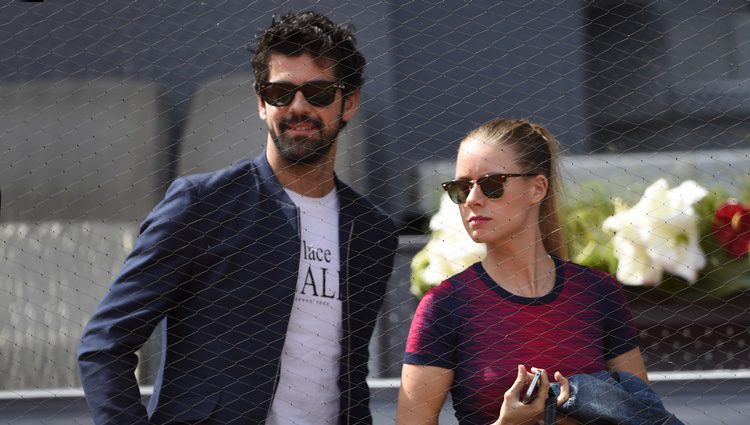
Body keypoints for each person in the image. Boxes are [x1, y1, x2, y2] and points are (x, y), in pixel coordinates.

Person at [77, 11, 397, 425]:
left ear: (348, 102)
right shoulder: (202, 205)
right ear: (262, 103)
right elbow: (105, 343)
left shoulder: (371, 230)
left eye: (318, 92)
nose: (298, 107)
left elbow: (350, 371)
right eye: (280, 93)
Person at [396, 118, 648, 425]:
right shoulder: (445, 305)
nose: (473, 200)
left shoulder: (597, 293)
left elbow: (642, 415)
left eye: (492, 184)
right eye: (461, 188)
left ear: (537, 188)